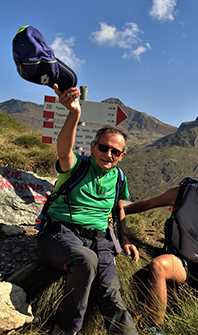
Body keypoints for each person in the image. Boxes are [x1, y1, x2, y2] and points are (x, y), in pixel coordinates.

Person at [37, 84, 139, 335]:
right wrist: (73, 114)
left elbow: (118, 208)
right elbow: (63, 150)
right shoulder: (76, 167)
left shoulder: (118, 177)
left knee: (112, 295)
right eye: (103, 148)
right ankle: (65, 330)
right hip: (60, 234)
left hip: (101, 241)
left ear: (122, 156)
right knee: (85, 260)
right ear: (93, 147)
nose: (108, 154)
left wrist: (124, 239)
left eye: (115, 151)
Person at [124, 158, 198, 331]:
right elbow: (150, 203)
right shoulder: (181, 194)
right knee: (157, 266)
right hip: (181, 262)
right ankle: (156, 329)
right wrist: (120, 212)